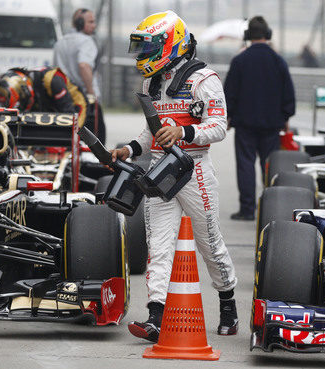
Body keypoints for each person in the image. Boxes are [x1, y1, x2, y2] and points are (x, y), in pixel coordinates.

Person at [110, 10, 238, 343]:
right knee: (159, 245)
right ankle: (155, 316)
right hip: (158, 170)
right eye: (140, 46)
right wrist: (129, 149)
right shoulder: (150, 82)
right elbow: (148, 132)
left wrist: (183, 131)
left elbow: (219, 127)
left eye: (148, 46)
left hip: (194, 169)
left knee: (209, 242)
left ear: (171, 43)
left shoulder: (204, 79)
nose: (142, 54)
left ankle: (228, 305)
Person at [224, 16, 295, 221]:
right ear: (268, 34)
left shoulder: (239, 60)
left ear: (248, 36)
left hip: (245, 125)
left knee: (245, 165)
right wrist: (285, 117)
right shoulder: (278, 60)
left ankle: (247, 210)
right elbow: (288, 94)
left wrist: (228, 117)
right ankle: (271, 210)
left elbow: (230, 93)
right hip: (272, 126)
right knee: (269, 167)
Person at [53, 8, 106, 143]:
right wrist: (91, 93)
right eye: (91, 22)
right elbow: (84, 65)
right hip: (83, 99)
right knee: (96, 142)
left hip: (63, 97)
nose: (94, 25)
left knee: (68, 138)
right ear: (81, 23)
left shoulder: (61, 42)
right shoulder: (86, 41)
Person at [0, 67, 88, 128]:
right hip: (48, 104)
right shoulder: (26, 85)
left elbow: (68, 113)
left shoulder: (51, 80)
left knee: (72, 127)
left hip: (75, 103)